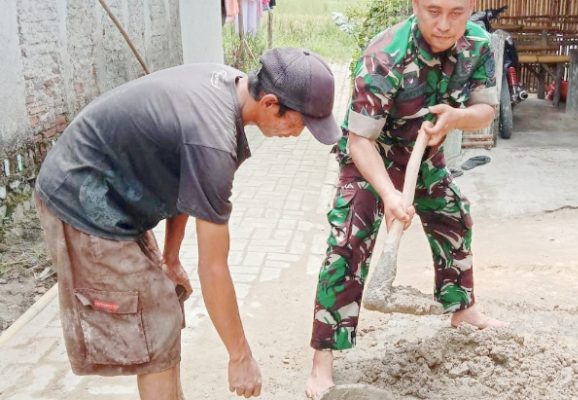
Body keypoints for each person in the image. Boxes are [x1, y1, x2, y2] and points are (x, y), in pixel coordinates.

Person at [34, 48, 341, 399]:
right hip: (78, 200)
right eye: (300, 123)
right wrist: (239, 355)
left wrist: (171, 257)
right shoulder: (213, 140)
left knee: (164, 304)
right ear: (271, 103)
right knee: (157, 318)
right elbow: (213, 268)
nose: (298, 134)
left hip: (112, 194)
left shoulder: (229, 86)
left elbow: (186, 182)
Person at [306, 0, 509, 397]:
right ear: (416, 4)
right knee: (347, 242)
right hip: (371, 157)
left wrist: (455, 118)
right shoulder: (385, 54)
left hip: (423, 153)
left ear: (471, 9)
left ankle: (462, 308)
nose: (445, 24)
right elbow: (359, 140)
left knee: (455, 216)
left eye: (457, 12)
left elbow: (485, 109)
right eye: (433, 11)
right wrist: (389, 195)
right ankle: (322, 359)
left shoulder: (479, 44)